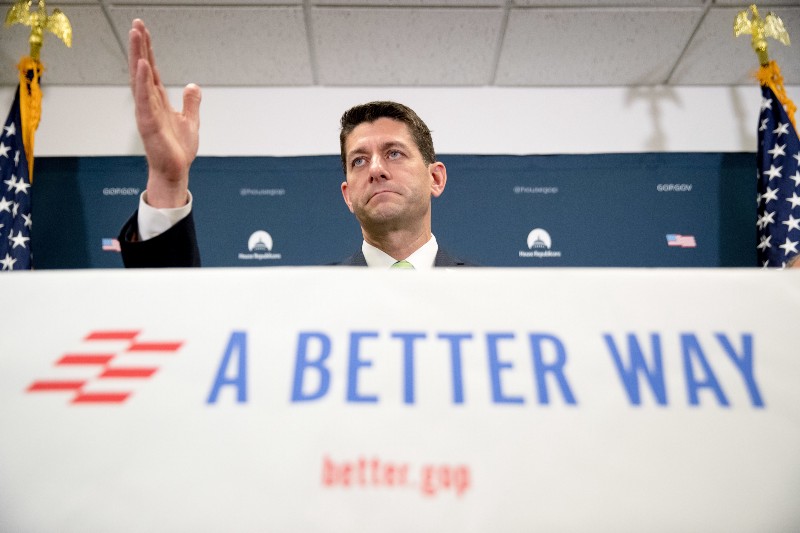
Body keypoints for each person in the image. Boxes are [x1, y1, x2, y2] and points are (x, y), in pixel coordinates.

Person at [118, 19, 471, 269]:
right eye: (359, 161)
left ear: (436, 178)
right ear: (347, 195)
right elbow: (173, 315)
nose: (376, 169)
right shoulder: (304, 300)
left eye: (394, 153)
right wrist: (167, 183)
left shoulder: (497, 296)